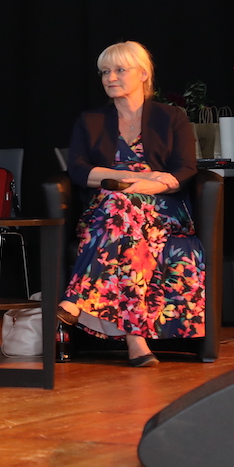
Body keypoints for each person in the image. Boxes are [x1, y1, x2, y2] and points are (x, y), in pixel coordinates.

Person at [57, 40, 205, 367]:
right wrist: (124, 180)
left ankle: (75, 300)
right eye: (104, 72)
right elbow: (79, 169)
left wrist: (150, 186)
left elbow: (185, 168)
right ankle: (136, 340)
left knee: (123, 208)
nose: (110, 77)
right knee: (124, 220)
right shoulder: (91, 120)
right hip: (108, 208)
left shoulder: (171, 117)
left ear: (142, 74)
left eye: (119, 70)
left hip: (163, 209)